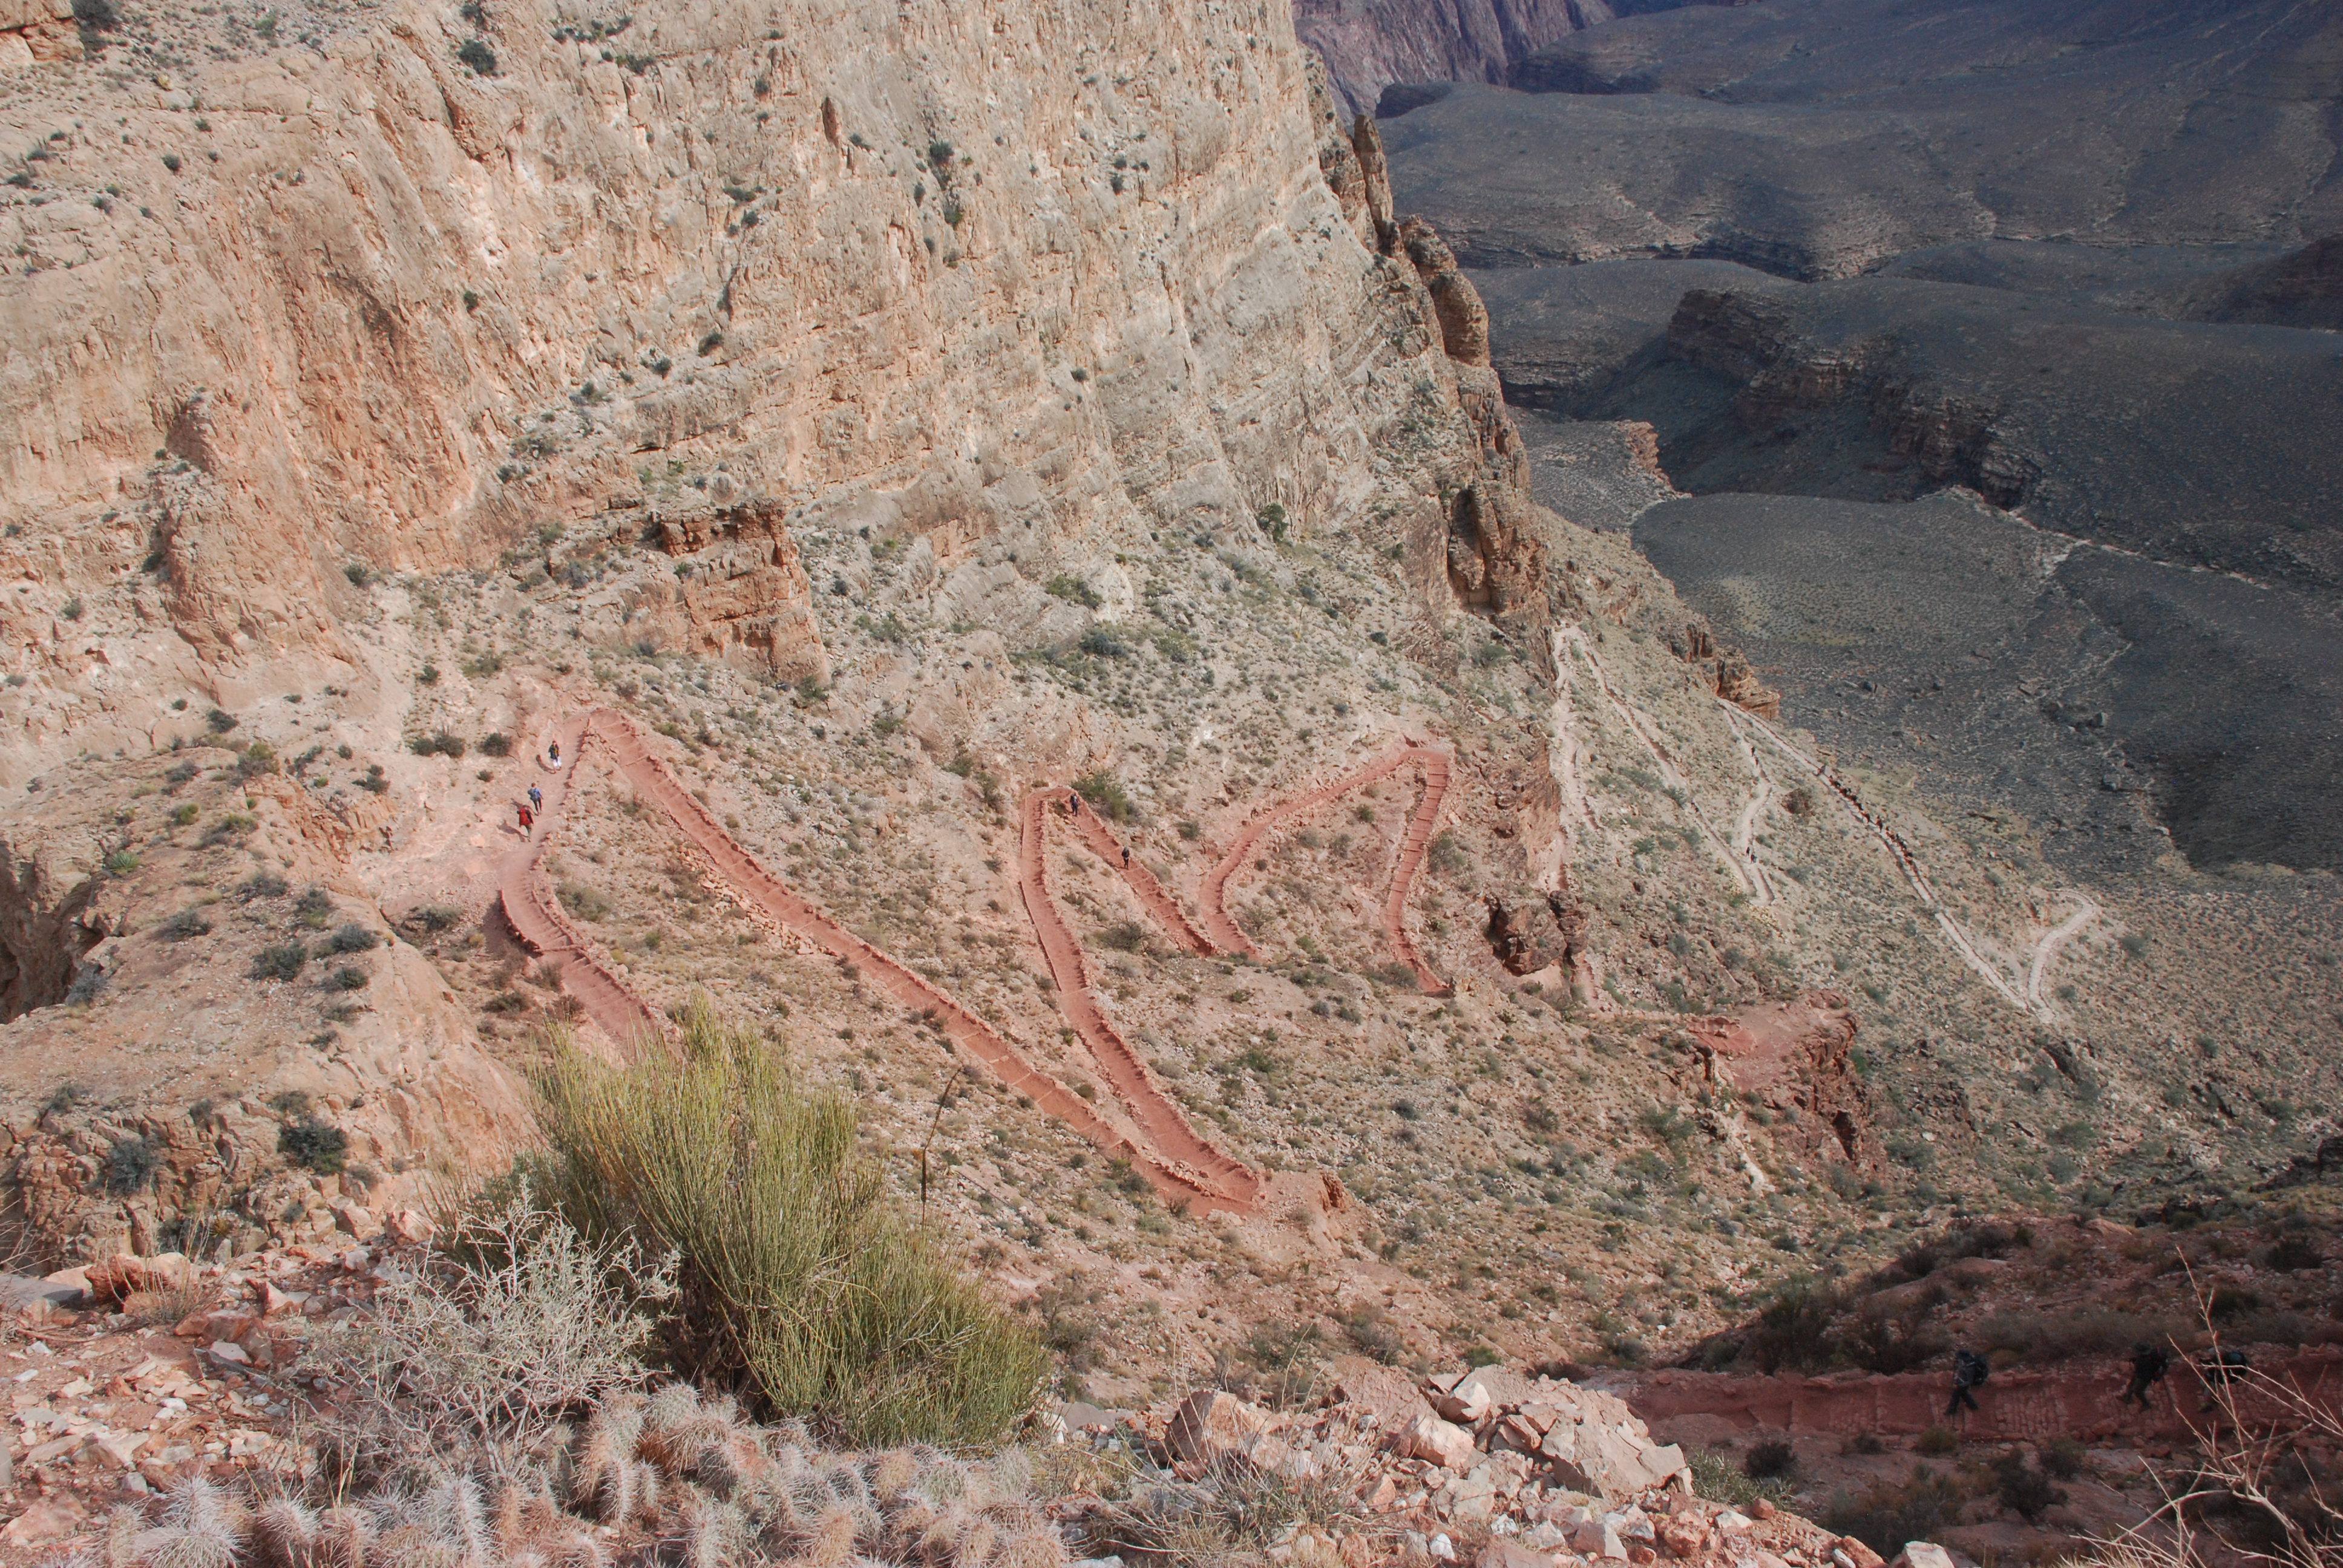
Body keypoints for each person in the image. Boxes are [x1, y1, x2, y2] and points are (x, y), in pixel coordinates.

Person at [2123, 1342, 2171, 1410]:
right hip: (2143, 1373)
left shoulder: (2146, 1361)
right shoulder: (2150, 1354)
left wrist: (2155, 1379)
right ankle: (2127, 1397)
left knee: (2137, 1391)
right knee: (2132, 1383)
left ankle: (2146, 1404)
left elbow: (2145, 1373)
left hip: (2145, 1377)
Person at [1947, 1348, 1989, 1416]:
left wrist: (1959, 1385)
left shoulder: (1970, 1367)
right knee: (1963, 1393)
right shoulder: (1963, 1361)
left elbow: (1970, 1382)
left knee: (1957, 1392)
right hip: (1963, 1380)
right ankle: (1973, 1407)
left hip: (1970, 1382)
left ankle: (1952, 1410)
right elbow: (1961, 1370)